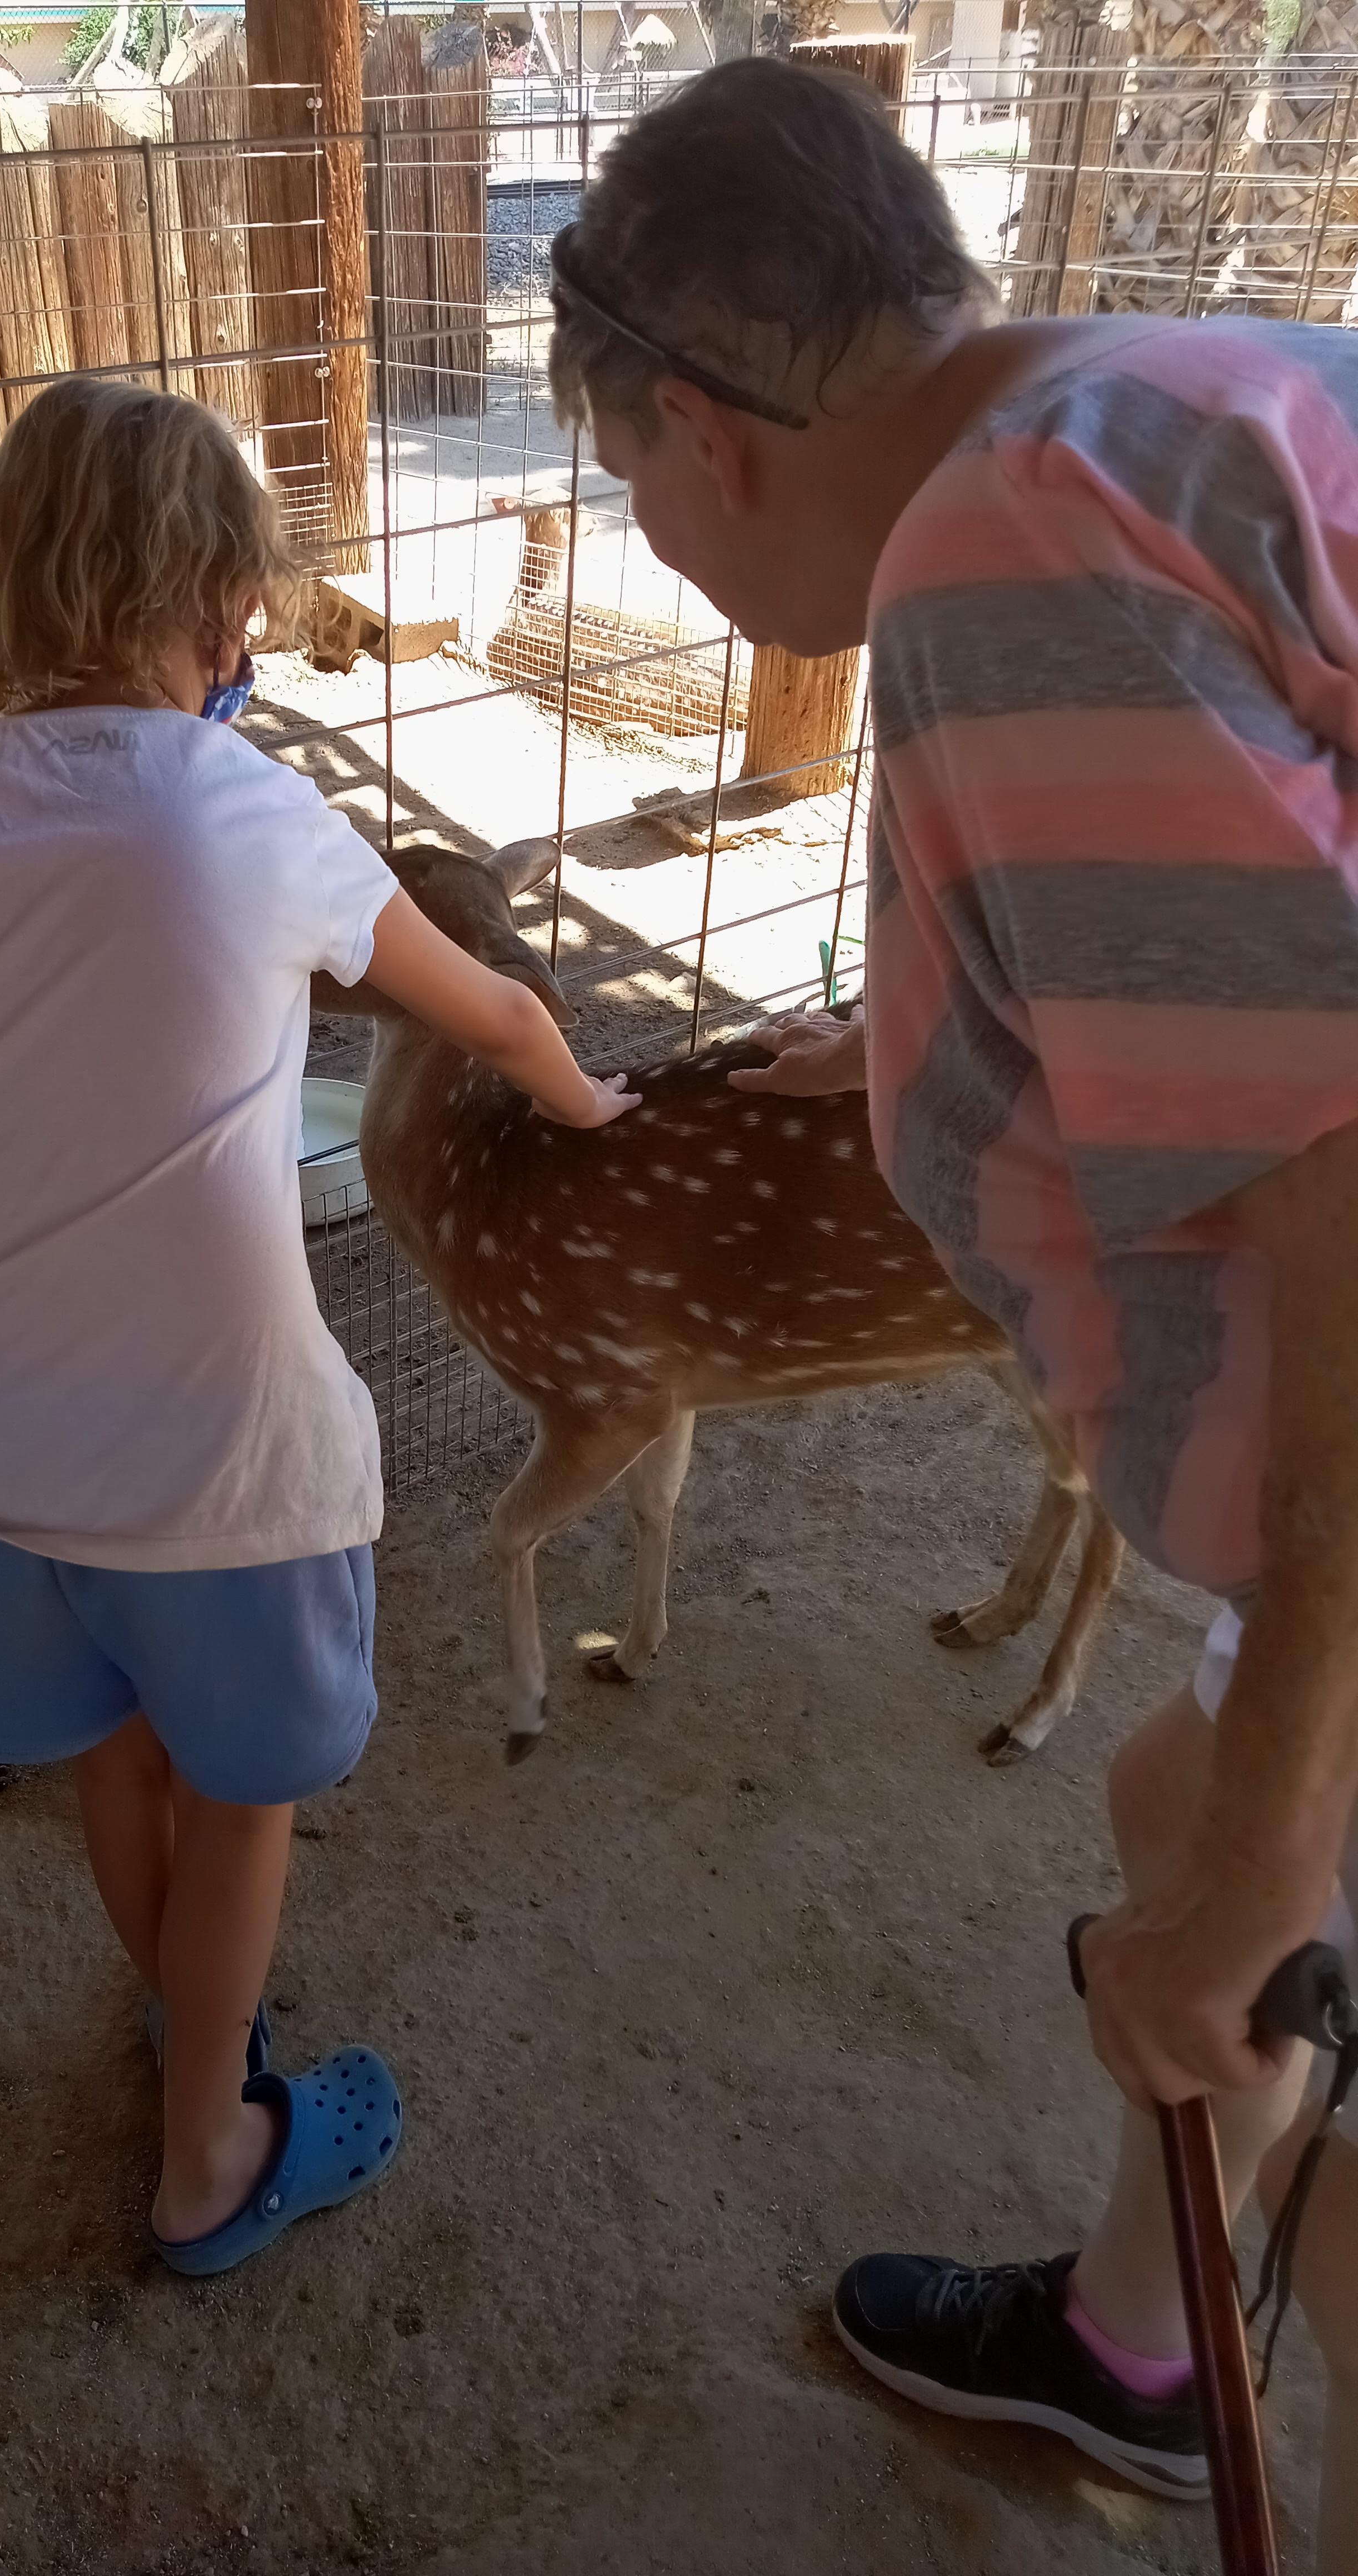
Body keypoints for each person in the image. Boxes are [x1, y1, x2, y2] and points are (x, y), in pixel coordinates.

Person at [546, 55, 1358, 2551]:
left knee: (1248, 1936)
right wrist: (926, 1012)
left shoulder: (1000, 559)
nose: (658, 545)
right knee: (1165, 1811)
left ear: (697, 434)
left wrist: (1265, 1855)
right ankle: (1132, 2351)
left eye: (625, 491)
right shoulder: (1197, 378)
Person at [0, 377, 637, 2274]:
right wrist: (594, 1106)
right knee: (240, 1797)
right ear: (222, 597)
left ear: (1, 585)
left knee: (115, 1756)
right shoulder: (261, 809)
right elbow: (496, 1013)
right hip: (224, 1465)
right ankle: (208, 2151)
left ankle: (183, 2024)